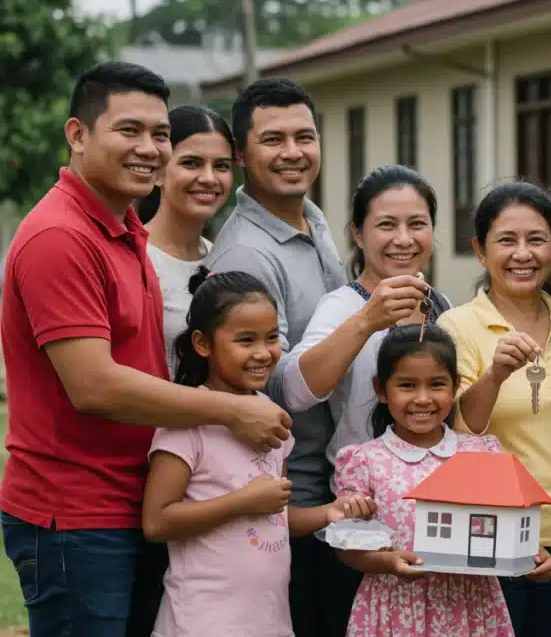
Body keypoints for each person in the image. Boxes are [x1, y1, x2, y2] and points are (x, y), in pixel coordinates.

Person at [0, 61, 291, 637]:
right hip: (74, 515)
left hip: (130, 501)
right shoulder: (62, 236)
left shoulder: (124, 228)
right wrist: (235, 409)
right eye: (128, 130)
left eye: (159, 133)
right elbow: (95, 385)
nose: (149, 148)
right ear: (78, 135)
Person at [141, 268, 377, 636]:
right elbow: (156, 522)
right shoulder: (187, 421)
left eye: (270, 338)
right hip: (201, 622)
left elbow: (275, 516)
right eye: (245, 340)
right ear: (203, 344)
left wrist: (330, 512)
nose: (263, 353)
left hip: (269, 621)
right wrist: (243, 501)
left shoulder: (270, 417)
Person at [204, 77, 351, 636]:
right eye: (273, 140)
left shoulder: (312, 220)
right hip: (291, 498)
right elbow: (263, 392)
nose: (293, 152)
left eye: (305, 136)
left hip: (335, 484)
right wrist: (366, 322)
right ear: (241, 154)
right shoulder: (246, 252)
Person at [278, 164, 447, 615]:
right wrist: (367, 321)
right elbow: (294, 390)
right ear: (357, 233)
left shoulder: (441, 306)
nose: (403, 239)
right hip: (363, 527)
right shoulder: (344, 306)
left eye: (417, 224)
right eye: (386, 225)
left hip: (435, 525)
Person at [437, 181, 551, 636]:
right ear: (479, 249)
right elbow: (459, 432)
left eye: (537, 239)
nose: (522, 254)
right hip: (491, 535)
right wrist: (494, 375)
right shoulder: (457, 326)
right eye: (506, 240)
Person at [332, 324, 551, 636]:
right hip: (396, 610)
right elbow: (346, 549)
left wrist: (533, 557)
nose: (423, 399)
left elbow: (505, 527)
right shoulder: (364, 461)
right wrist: (387, 562)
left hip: (472, 609)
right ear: (381, 389)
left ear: (455, 387)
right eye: (407, 385)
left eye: (437, 385)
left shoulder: (480, 454)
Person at [138, 105, 236, 378]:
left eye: (221, 166)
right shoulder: (133, 258)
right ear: (157, 172)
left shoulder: (224, 259)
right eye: (191, 163)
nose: (209, 178)